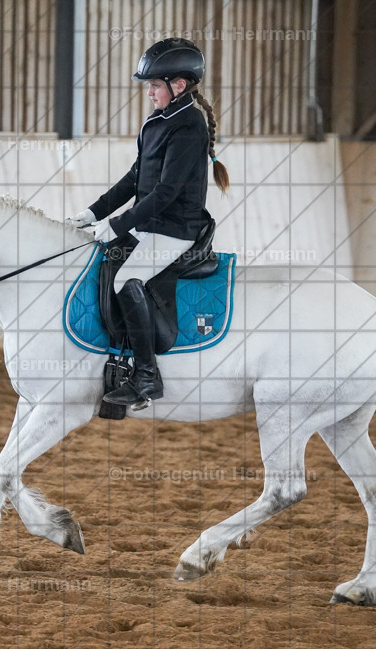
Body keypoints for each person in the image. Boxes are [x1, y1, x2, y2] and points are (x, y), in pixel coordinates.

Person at [66, 38, 230, 408]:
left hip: (176, 228)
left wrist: (118, 225)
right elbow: (135, 178)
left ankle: (146, 376)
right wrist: (93, 213)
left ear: (179, 86)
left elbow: (166, 192)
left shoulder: (189, 126)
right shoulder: (157, 121)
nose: (149, 92)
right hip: (150, 224)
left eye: (154, 86)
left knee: (127, 279)